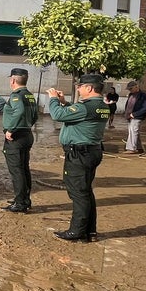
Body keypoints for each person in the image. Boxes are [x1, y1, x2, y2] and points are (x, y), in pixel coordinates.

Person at [47, 74, 111, 243]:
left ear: (89, 88)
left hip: (79, 154)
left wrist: (53, 100)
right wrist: (64, 103)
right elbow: (77, 115)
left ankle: (77, 231)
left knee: (78, 193)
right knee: (86, 191)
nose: (78, 89)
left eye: (81, 86)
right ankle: (90, 231)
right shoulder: (101, 106)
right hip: (91, 151)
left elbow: (58, 115)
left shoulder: (85, 107)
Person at [1, 67, 39, 213]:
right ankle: (24, 199)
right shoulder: (30, 95)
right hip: (27, 134)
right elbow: (35, 116)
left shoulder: (16, 95)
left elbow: (19, 111)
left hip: (15, 137)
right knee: (24, 169)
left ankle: (20, 203)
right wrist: (27, 125)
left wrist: (11, 129)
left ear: (12, 80)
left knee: (16, 171)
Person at [123, 80, 146, 154]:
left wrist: (135, 114)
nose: (130, 90)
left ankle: (132, 148)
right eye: (129, 89)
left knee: (133, 131)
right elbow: (128, 105)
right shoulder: (131, 95)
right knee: (134, 132)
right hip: (130, 116)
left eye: (131, 89)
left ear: (136, 87)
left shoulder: (143, 96)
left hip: (137, 116)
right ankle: (139, 148)